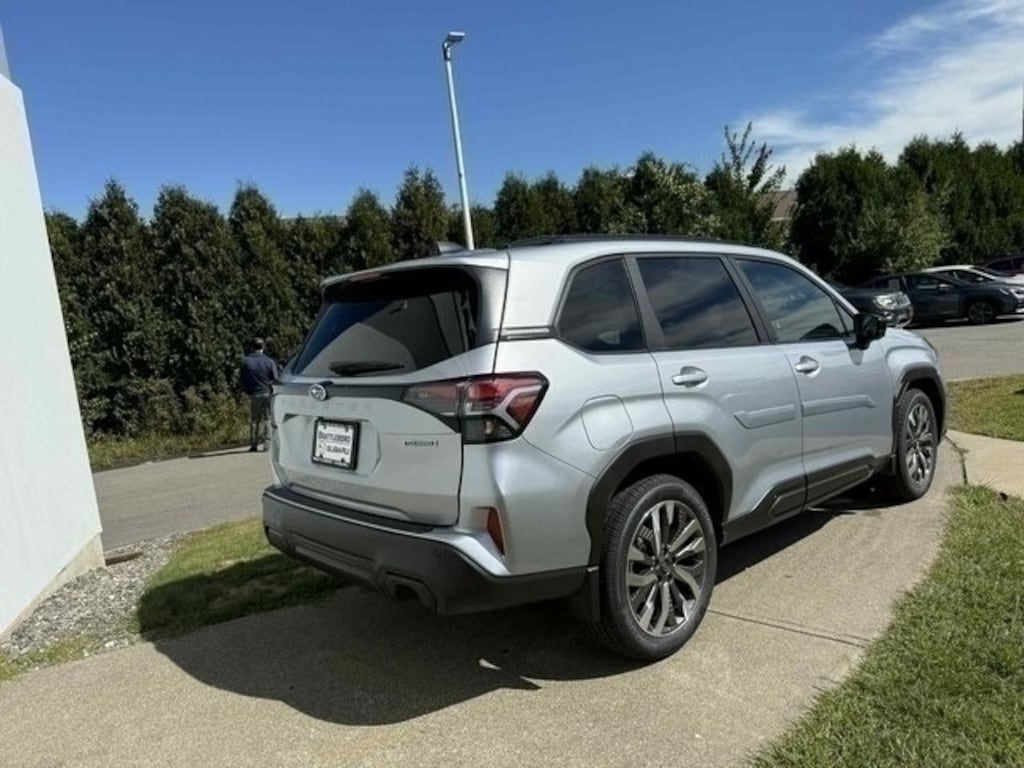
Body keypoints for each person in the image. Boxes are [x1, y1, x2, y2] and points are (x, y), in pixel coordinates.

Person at [240, 337, 278, 452]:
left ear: (252, 347)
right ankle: (267, 444)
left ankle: (253, 444)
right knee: (268, 418)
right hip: (267, 392)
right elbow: (275, 378)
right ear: (263, 347)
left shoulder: (246, 361)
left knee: (254, 419)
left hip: (254, 393)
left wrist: (248, 390)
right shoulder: (269, 361)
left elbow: (242, 379)